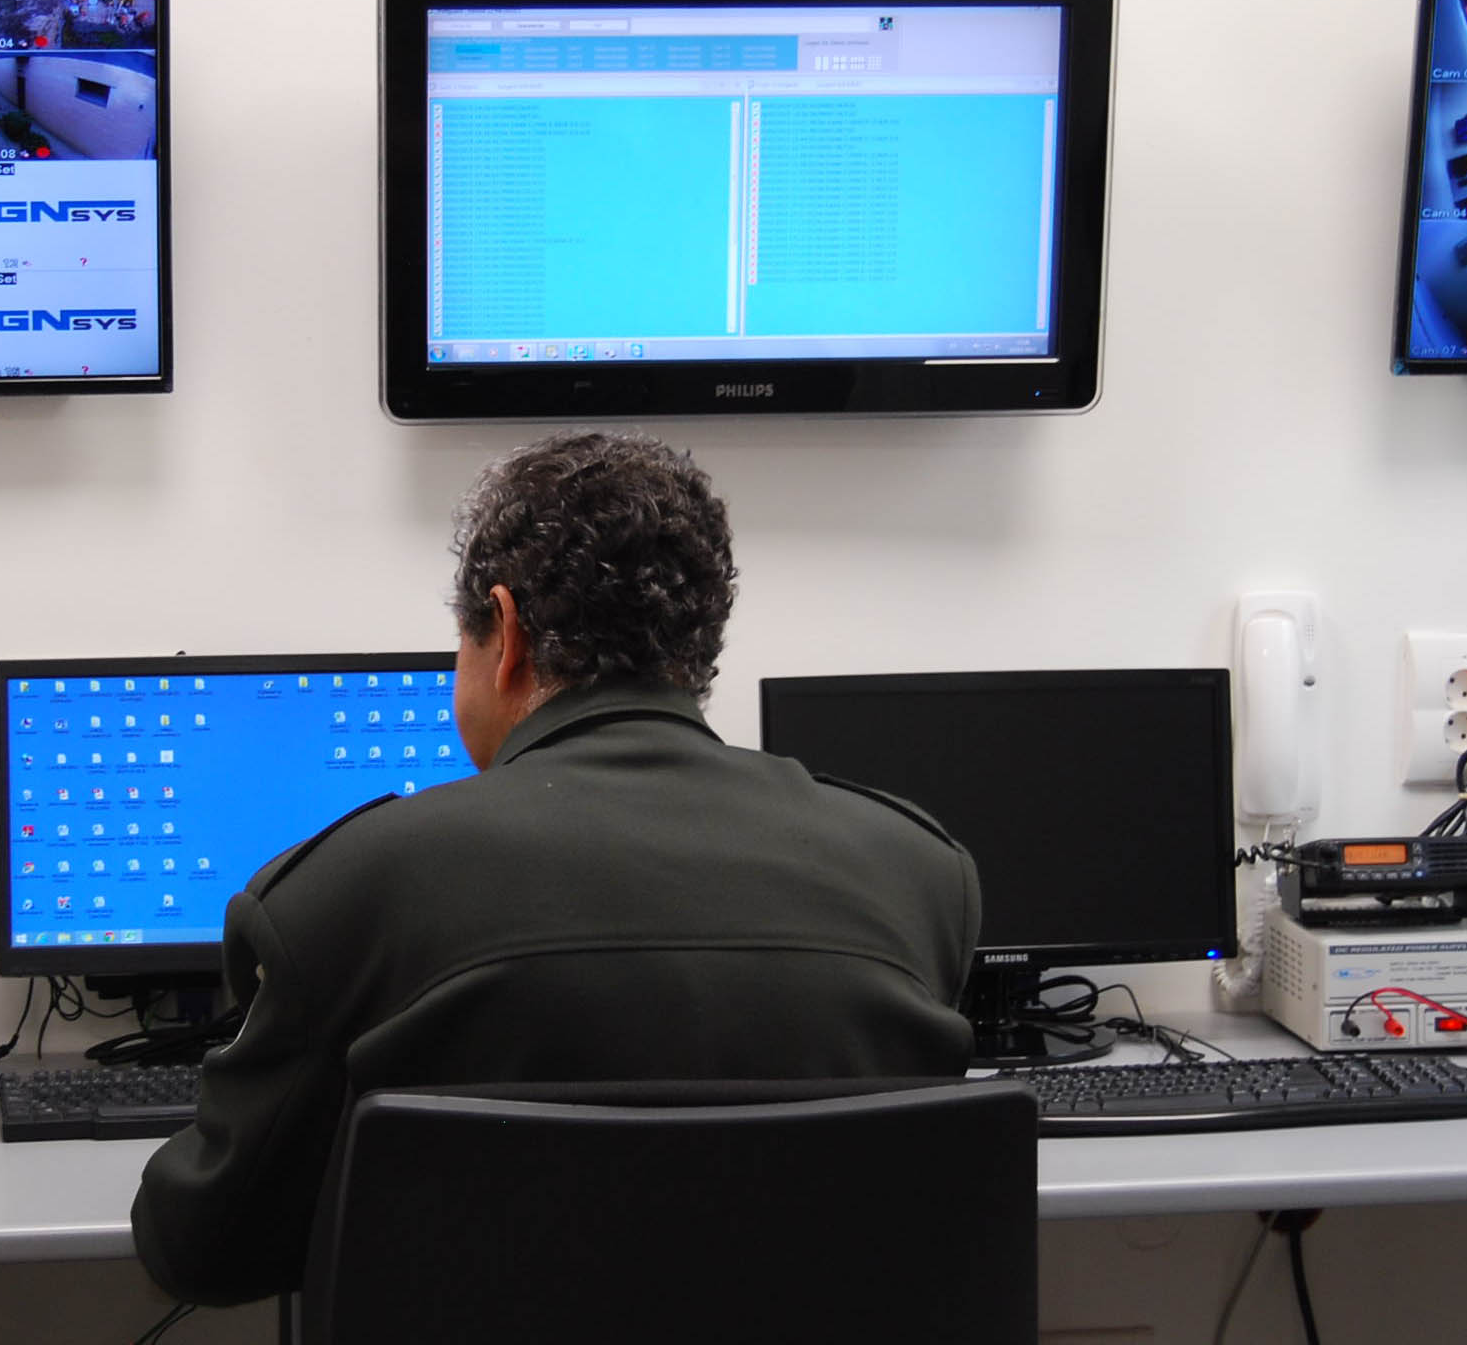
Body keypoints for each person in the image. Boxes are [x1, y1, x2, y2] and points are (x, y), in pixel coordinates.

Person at [131, 431, 981, 1305]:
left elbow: (206, 1253)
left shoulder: (348, 886)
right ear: (699, 639)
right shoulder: (922, 874)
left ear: (505, 632)